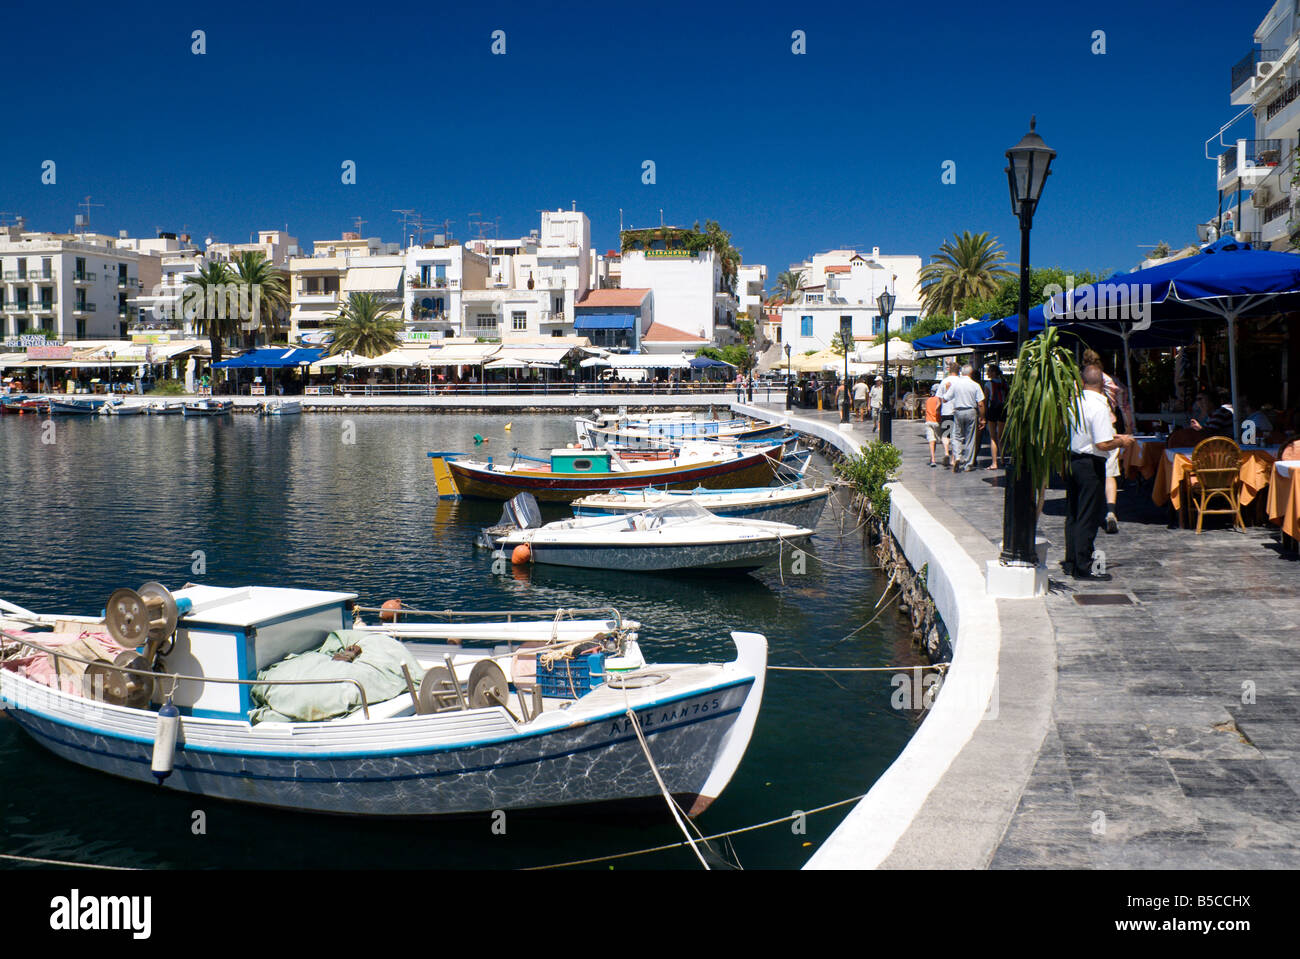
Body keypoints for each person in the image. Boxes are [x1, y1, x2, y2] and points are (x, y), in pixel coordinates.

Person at [1065, 366, 1135, 581]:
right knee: (1089, 515)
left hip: (1072, 460)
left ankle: (1072, 560)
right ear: (1102, 385)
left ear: (1083, 381)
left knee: (1074, 513)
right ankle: (1084, 566)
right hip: (1090, 464)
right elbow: (1103, 443)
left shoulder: (1074, 402)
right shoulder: (1099, 406)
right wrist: (1122, 440)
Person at [1081, 350, 1133, 534]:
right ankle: (1110, 512)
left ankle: (1088, 511)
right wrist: (1128, 428)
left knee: (1090, 470)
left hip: (1083, 428)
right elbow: (1124, 404)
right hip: (1107, 425)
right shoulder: (1111, 381)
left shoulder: (1081, 381)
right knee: (1110, 472)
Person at [940, 364, 985, 471]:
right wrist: (982, 418)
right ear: (970, 373)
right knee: (970, 438)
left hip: (958, 411)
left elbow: (945, 399)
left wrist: (947, 390)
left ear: (962, 372)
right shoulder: (975, 385)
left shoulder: (956, 385)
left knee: (956, 436)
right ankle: (968, 464)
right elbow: (981, 403)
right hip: (971, 411)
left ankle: (957, 456)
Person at [983, 364, 1008, 470]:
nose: (987, 373)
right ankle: (1002, 459)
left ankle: (994, 463)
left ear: (993, 372)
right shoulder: (1004, 383)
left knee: (993, 437)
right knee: (1001, 437)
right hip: (1003, 410)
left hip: (992, 410)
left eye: (989, 371)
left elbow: (985, 400)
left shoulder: (988, 384)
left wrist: (983, 415)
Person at [937, 361, 960, 465]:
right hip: (957, 411)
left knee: (946, 434)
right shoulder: (961, 381)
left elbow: (939, 398)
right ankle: (954, 458)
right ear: (958, 370)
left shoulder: (944, 381)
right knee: (956, 436)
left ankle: (946, 452)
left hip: (946, 411)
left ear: (949, 370)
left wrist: (937, 410)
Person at [924, 383, 942, 467]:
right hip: (937, 421)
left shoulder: (928, 400)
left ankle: (933, 459)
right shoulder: (939, 399)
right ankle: (947, 455)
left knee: (931, 441)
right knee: (941, 440)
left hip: (928, 421)